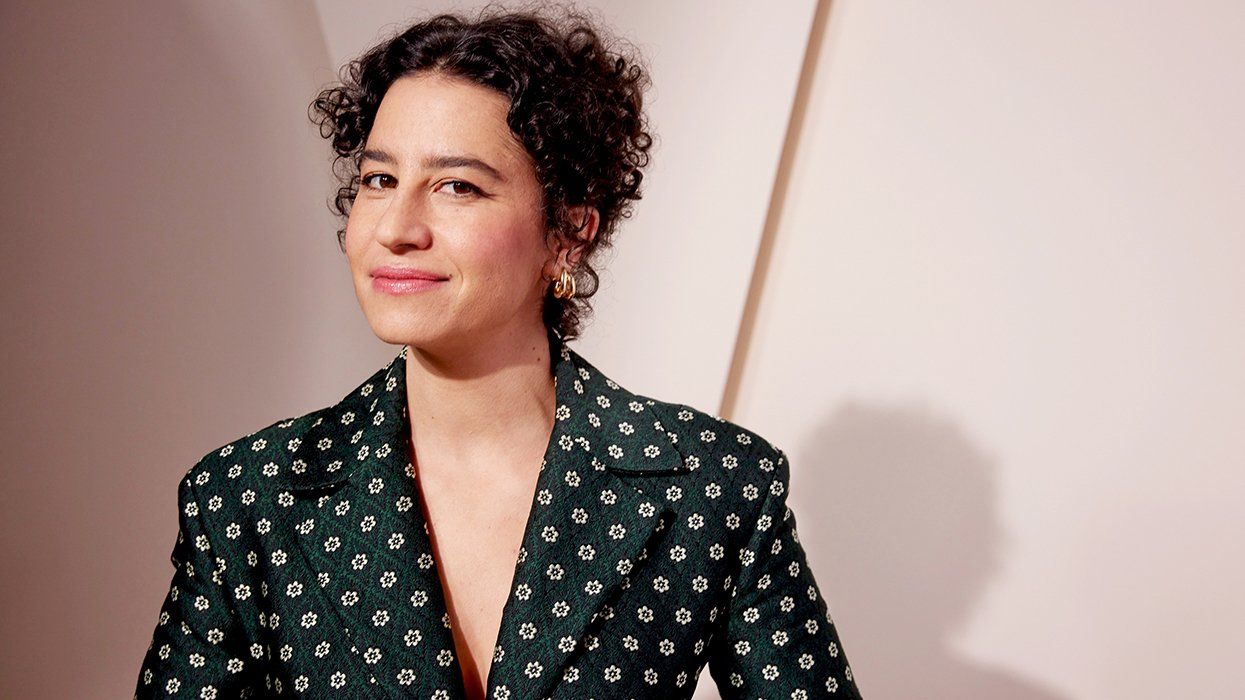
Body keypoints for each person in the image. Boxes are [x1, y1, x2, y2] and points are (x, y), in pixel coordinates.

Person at [133, 4, 863, 699]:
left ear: (568, 232)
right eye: (379, 180)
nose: (396, 226)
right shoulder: (247, 497)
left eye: (457, 186)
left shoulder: (710, 485)